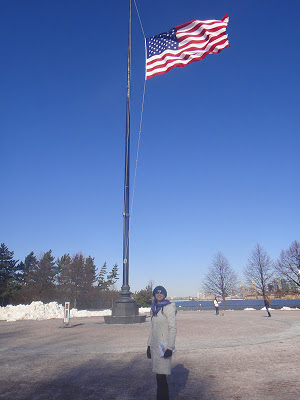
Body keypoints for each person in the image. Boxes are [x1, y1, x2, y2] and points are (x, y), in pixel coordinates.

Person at [147, 285, 177, 400]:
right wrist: (148, 345)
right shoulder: (154, 308)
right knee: (158, 376)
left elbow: (173, 328)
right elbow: (153, 328)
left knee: (162, 376)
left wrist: (170, 347)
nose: (159, 295)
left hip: (163, 346)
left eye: (161, 293)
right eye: (157, 293)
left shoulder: (168, 308)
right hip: (155, 345)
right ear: (154, 294)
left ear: (165, 294)